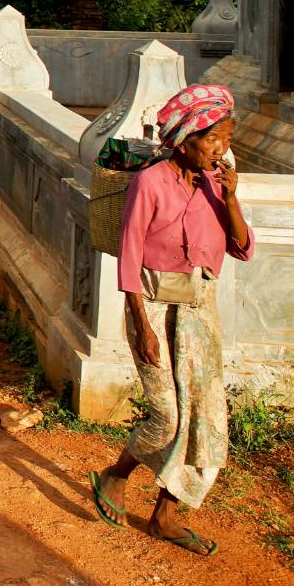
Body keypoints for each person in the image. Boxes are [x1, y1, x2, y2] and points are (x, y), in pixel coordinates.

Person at [89, 84, 254, 556]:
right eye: (212, 139)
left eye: (226, 137)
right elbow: (129, 253)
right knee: (165, 415)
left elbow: (241, 247)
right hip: (154, 304)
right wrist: (141, 324)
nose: (221, 148)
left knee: (204, 418)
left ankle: (166, 512)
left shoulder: (217, 181)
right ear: (184, 140)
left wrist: (232, 197)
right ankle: (115, 476)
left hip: (200, 307)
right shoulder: (152, 182)